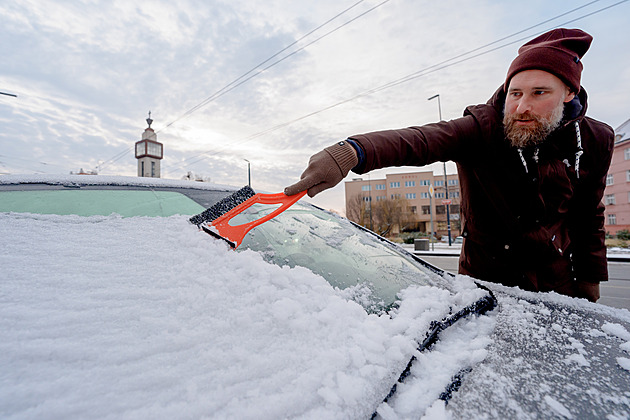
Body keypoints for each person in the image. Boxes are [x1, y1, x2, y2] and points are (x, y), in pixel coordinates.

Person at [284, 28, 614, 302]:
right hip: (486, 285)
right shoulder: (482, 128)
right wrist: (349, 152)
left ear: (570, 92)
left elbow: (589, 214)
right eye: (515, 93)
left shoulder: (595, 140)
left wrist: (590, 281)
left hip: (558, 285)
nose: (522, 106)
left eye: (539, 93)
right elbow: (419, 140)